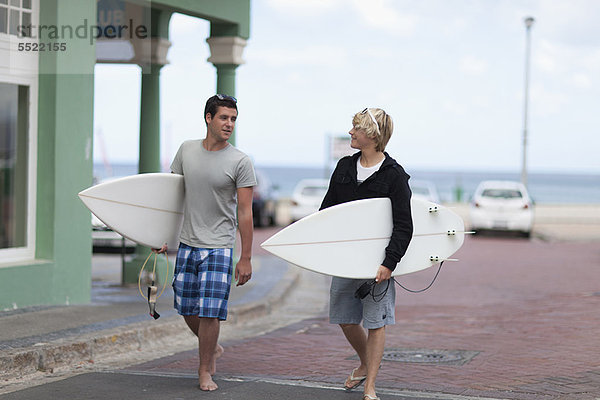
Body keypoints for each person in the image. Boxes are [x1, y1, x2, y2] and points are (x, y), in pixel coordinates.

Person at [155, 94, 256, 391]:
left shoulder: (240, 161)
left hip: (220, 245)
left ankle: (204, 370)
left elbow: (245, 212)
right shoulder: (186, 151)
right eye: (224, 117)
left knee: (210, 310)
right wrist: (161, 235)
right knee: (186, 307)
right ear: (208, 118)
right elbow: (172, 197)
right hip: (187, 242)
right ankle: (211, 347)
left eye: (234, 119)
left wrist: (245, 257)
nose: (229, 124)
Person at [320, 107, 413, 400]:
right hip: (347, 260)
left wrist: (389, 263)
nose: (350, 132)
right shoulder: (345, 168)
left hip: (378, 264)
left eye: (355, 128)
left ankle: (370, 387)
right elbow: (327, 212)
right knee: (346, 319)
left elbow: (403, 226)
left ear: (370, 135)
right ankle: (365, 361)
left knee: (376, 323)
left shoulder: (395, 176)